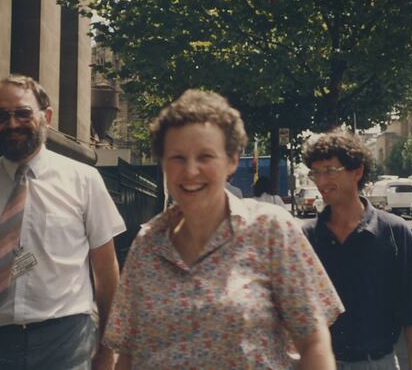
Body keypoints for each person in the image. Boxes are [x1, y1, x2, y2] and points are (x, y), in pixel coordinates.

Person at [104, 89, 343, 369]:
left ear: (231, 161)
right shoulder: (147, 244)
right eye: (177, 158)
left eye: (205, 156)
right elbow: (129, 352)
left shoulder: (271, 230)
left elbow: (314, 343)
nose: (190, 170)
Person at [0, 75, 126, 370]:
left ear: (45, 117)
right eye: (1, 116)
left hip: (65, 342)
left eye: (23, 113)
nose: (12, 124)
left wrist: (107, 350)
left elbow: (106, 271)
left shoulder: (84, 181)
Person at [301, 129, 412, 370]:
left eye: (329, 171)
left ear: (357, 171)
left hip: (377, 363)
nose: (321, 182)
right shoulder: (307, 237)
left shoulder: (393, 232)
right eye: (316, 173)